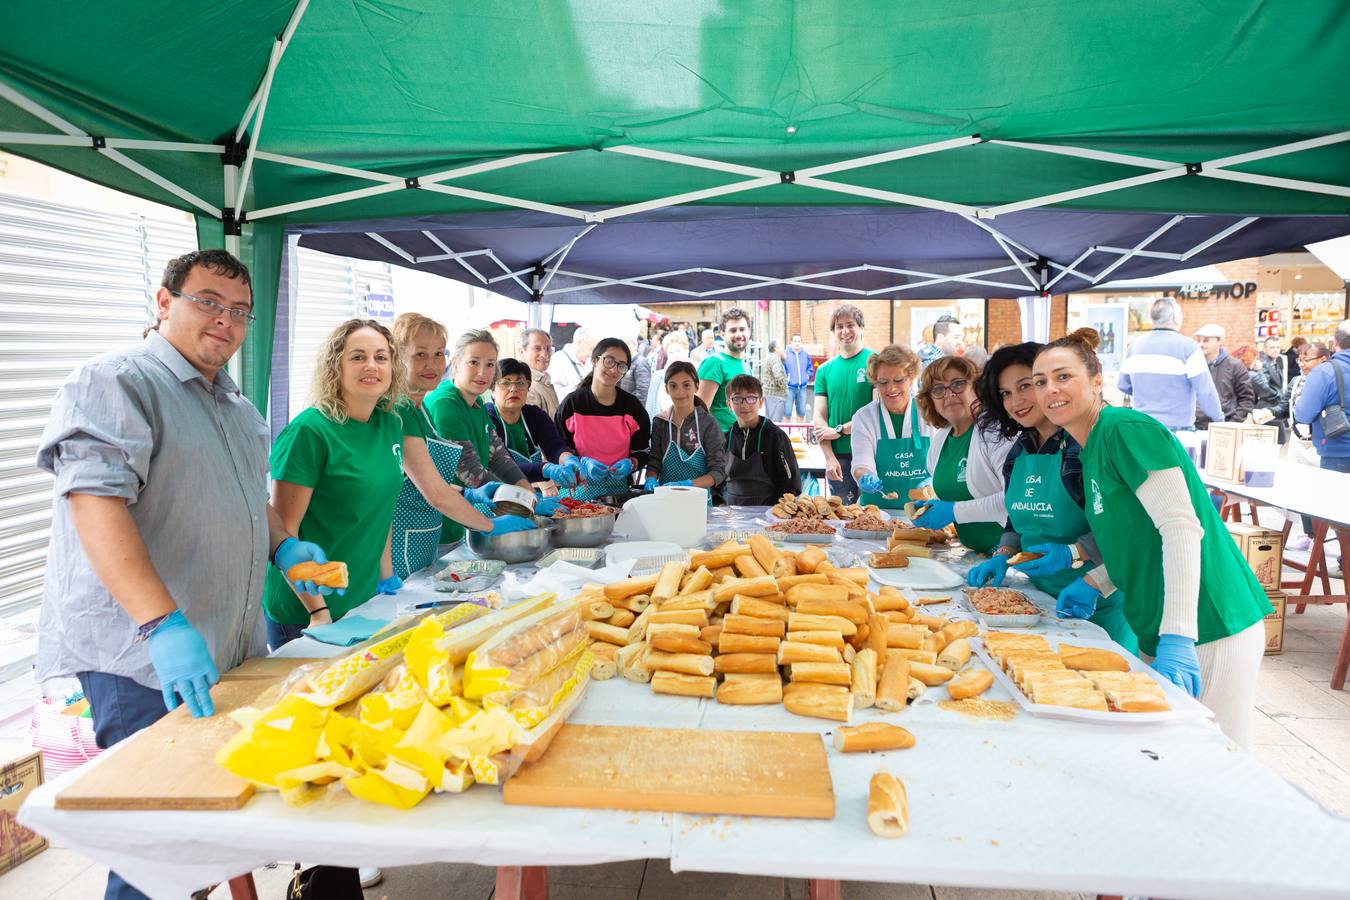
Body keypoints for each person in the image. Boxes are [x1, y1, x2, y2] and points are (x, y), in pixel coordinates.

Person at [35, 250, 329, 900]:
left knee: (204, 824)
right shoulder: (118, 382)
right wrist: (161, 621)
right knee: (158, 852)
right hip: (144, 660)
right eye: (208, 302)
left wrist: (285, 547)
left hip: (225, 646)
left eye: (240, 312)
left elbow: (244, 499)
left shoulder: (234, 405)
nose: (225, 321)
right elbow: (93, 501)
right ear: (165, 303)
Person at [1035, 328, 1271, 749]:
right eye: (1040, 381)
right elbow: (1138, 536)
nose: (1049, 389)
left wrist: (1178, 637)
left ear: (1097, 379)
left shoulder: (1126, 428)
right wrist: (1096, 581)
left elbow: (1180, 527)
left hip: (1209, 622)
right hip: (1157, 623)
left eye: (1062, 376)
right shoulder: (1091, 447)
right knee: (1171, 760)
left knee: (1220, 761)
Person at [965, 342, 1138, 653]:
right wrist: (1004, 553)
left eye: (1025, 386)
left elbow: (1128, 527)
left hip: (1099, 598)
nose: (1015, 401)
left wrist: (1075, 552)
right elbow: (1016, 518)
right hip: (1041, 600)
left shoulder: (1087, 444)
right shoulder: (1020, 449)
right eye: (1005, 393)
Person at [265, 319, 417, 648]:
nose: (372, 366)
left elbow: (382, 506)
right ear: (336, 366)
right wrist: (319, 613)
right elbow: (281, 533)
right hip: (304, 613)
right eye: (358, 357)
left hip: (361, 601)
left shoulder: (389, 424)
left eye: (381, 357)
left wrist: (386, 575)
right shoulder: (310, 432)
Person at [388, 314, 507, 580]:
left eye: (438, 353)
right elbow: (434, 492)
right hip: (399, 550)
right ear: (397, 358)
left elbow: (422, 480)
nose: (432, 364)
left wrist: (468, 493)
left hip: (424, 546)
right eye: (420, 355)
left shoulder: (420, 410)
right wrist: (490, 526)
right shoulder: (399, 411)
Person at [425, 329, 536, 542]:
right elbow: (470, 471)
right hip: (442, 522)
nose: (482, 373)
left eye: (490, 364)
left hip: (465, 519)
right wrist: (521, 501)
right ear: (456, 364)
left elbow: (499, 458)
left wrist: (528, 493)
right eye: (473, 362)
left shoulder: (477, 405)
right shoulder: (445, 404)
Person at [912, 355, 1014, 554]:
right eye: (938, 389)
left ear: (977, 388)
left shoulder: (997, 434)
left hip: (1011, 554)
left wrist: (953, 511)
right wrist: (934, 506)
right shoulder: (940, 440)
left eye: (958, 384)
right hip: (975, 554)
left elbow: (1014, 500)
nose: (949, 394)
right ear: (930, 400)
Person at [555, 338, 652, 501]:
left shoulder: (632, 407)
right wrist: (581, 463)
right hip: (575, 494)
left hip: (618, 494)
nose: (614, 369)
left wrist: (632, 463)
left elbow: (643, 452)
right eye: (609, 361)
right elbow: (557, 450)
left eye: (621, 365)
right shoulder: (573, 404)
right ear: (594, 361)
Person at [1293, 320, 1350, 577]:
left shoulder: (1326, 372)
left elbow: (1304, 413)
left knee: (1339, 512)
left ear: (1335, 343)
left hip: (1338, 450)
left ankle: (1347, 565)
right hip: (1337, 450)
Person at [1117, 298, 1223, 431]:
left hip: (1142, 427)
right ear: (1176, 318)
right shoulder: (1189, 348)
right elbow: (1206, 392)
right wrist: (1219, 420)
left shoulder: (1134, 347)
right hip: (1177, 431)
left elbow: (1123, 385)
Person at [849, 345, 933, 511]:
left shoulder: (930, 413)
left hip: (924, 511)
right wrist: (865, 475)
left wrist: (934, 481)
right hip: (875, 514)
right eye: (883, 382)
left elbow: (942, 462)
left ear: (911, 378)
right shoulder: (864, 417)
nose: (891, 388)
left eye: (899, 380)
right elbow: (861, 461)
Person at [813, 304, 874, 503]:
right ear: (833, 332)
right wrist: (829, 458)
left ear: (861, 328)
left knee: (873, 517)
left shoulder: (876, 362)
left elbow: (878, 413)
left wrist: (839, 430)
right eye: (839, 326)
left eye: (851, 325)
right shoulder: (824, 370)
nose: (845, 331)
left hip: (872, 453)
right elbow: (820, 417)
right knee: (843, 517)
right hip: (839, 457)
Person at [486, 357, 579, 485]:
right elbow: (503, 466)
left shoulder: (535, 415)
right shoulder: (486, 419)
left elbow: (554, 446)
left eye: (520, 383)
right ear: (492, 390)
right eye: (505, 383)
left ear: (528, 388)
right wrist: (546, 469)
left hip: (524, 487)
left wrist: (568, 459)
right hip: (492, 490)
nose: (513, 389)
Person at [644, 361, 727, 497]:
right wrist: (651, 478)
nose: (680, 392)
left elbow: (718, 472)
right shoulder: (660, 422)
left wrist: (688, 485)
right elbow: (654, 462)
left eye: (686, 385)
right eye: (673, 386)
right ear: (666, 389)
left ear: (696, 386)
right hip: (665, 498)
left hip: (698, 501)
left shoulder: (708, 423)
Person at [722, 374, 801, 505]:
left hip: (768, 514)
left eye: (751, 398)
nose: (744, 404)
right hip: (731, 515)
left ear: (761, 402)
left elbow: (791, 484)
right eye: (737, 399)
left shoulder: (775, 437)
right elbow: (717, 481)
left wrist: (775, 512)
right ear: (729, 404)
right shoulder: (725, 439)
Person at [1286, 341, 1330, 551]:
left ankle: (1321, 539)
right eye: (1300, 360)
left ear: (1323, 359)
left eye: (1307, 360)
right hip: (1297, 442)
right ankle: (1307, 535)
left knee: (1320, 491)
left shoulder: (1327, 379)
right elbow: (1284, 404)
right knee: (1299, 488)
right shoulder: (1296, 381)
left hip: (1318, 444)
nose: (1302, 364)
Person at [697, 307, 752, 430]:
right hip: (721, 442)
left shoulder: (746, 367)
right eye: (732, 330)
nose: (738, 334)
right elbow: (699, 412)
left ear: (749, 331)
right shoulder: (714, 363)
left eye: (742, 329)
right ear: (722, 334)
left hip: (741, 440)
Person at [1194, 323, 1255, 428]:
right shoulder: (1193, 364)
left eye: (1206, 340)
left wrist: (1232, 424)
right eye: (1199, 340)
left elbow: (1246, 399)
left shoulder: (1235, 366)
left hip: (1224, 427)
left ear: (1220, 341)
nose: (1201, 344)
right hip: (1195, 426)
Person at [1245, 342, 1289, 440]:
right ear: (1264, 349)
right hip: (1266, 405)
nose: (1276, 349)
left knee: (1276, 439)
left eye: (1278, 347)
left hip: (1272, 405)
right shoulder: (1263, 364)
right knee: (1277, 439)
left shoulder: (1277, 362)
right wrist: (1278, 395)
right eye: (1272, 347)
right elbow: (1264, 389)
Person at [647, 329, 690, 416]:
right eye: (671, 352)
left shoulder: (697, 372)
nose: (675, 355)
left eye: (678, 351)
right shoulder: (658, 377)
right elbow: (650, 408)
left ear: (687, 351)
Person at [519, 328, 559, 415]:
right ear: (521, 351)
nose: (545, 354)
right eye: (537, 348)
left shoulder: (543, 380)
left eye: (548, 349)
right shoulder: (525, 384)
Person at [548, 327, 594, 399]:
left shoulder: (590, 361)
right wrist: (581, 388)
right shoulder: (558, 360)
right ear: (579, 342)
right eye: (591, 348)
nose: (592, 353)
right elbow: (553, 395)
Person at [784, 334, 815, 423]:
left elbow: (810, 369)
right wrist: (787, 379)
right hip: (789, 388)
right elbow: (783, 369)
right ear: (791, 342)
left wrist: (807, 377)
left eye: (799, 341)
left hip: (802, 388)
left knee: (801, 412)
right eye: (795, 341)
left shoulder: (805, 354)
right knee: (787, 412)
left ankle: (800, 434)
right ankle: (786, 434)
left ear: (801, 342)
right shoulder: (786, 354)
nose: (797, 343)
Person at [620, 334, 655, 407]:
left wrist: (634, 409)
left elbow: (643, 391)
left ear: (634, 345)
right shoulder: (626, 362)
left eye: (626, 344)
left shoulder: (640, 362)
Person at [762, 339, 789, 421]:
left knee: (769, 421)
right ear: (776, 348)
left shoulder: (768, 357)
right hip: (776, 396)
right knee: (775, 423)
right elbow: (778, 377)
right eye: (781, 347)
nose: (783, 350)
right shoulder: (775, 359)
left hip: (769, 394)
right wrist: (785, 390)